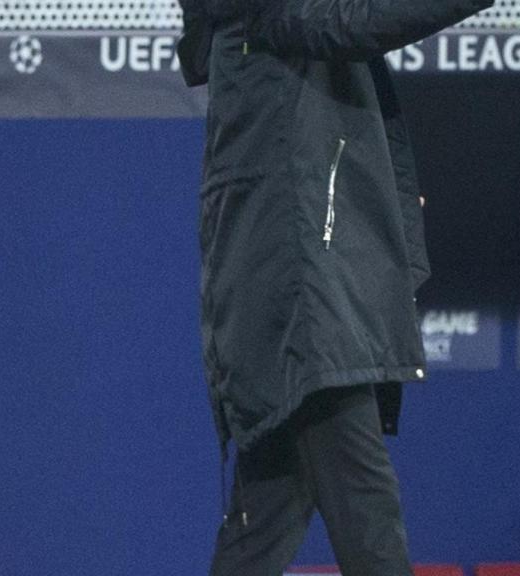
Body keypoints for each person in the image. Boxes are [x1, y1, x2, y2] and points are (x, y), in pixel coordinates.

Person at [175, 0, 493, 574]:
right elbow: (354, 21)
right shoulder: (267, 11)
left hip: (299, 287)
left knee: (267, 517)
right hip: (299, 296)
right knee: (368, 513)